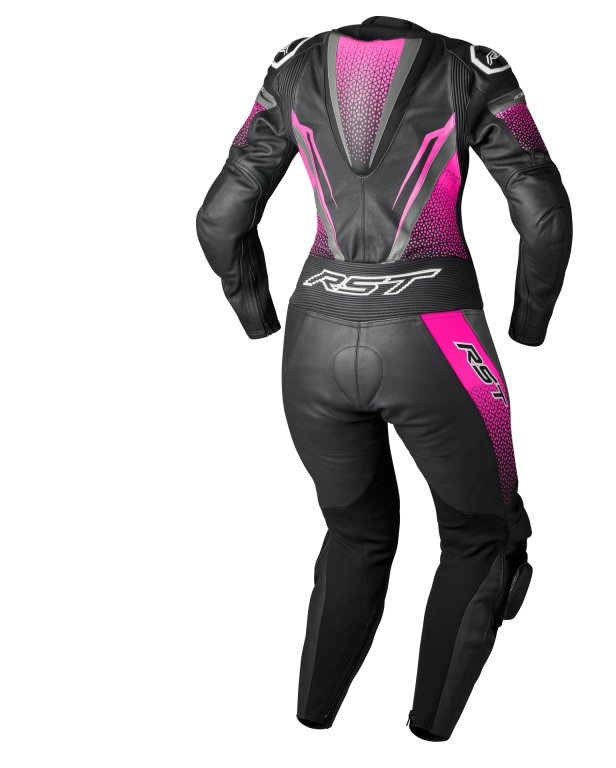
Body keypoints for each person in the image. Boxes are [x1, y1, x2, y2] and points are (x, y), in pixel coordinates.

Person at [196, 15, 573, 741]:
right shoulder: (472, 67)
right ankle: (429, 735)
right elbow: (545, 215)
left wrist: (255, 314)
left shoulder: (295, 67)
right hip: (439, 336)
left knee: (355, 533)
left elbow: (219, 218)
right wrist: (530, 323)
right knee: (483, 535)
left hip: (314, 341)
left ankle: (312, 721)